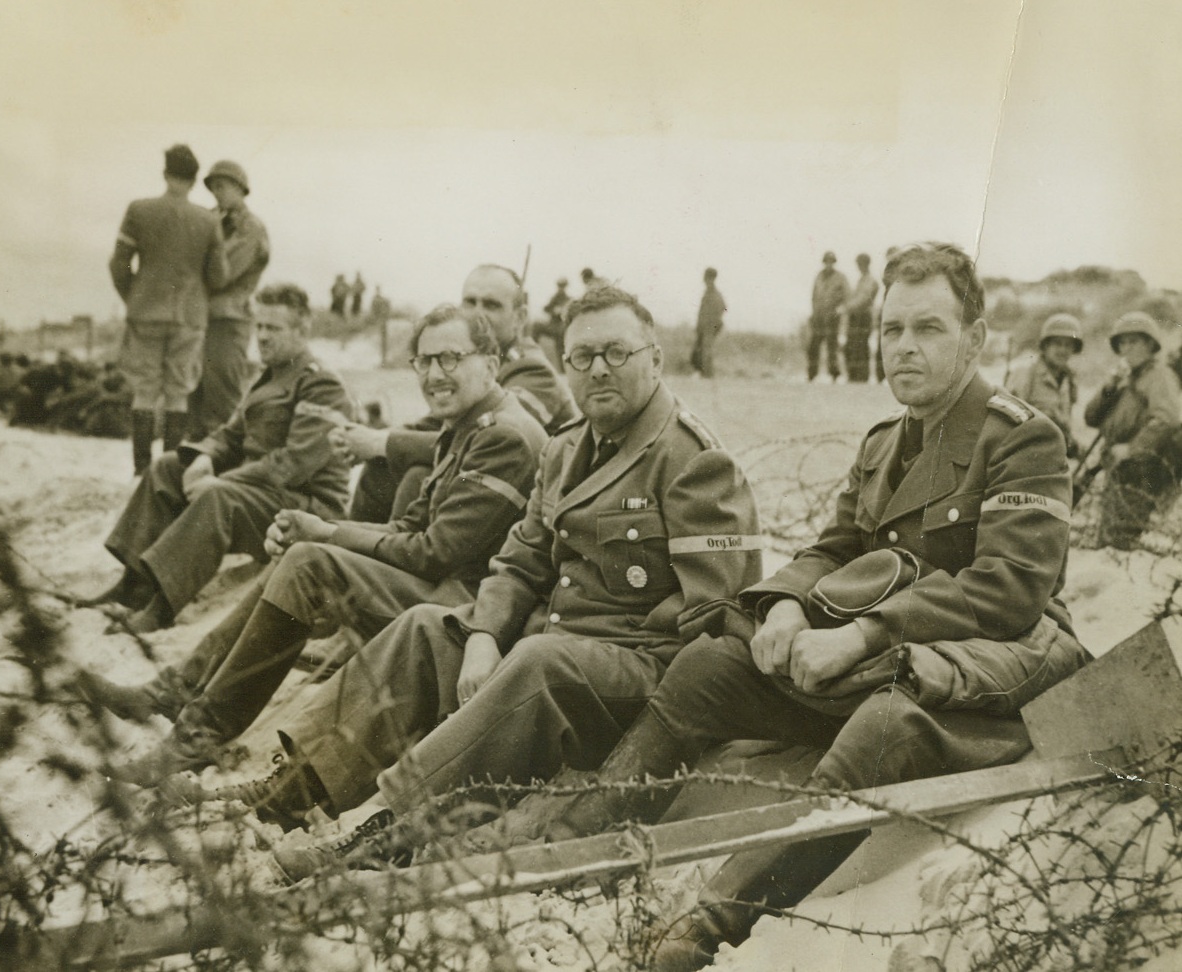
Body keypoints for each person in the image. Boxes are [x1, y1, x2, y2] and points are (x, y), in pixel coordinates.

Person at [446, 243, 1089, 971]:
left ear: (974, 339)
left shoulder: (1022, 436)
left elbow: (1009, 587)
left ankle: (709, 926)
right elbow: (834, 545)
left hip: (980, 671)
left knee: (885, 723)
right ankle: (579, 842)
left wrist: (862, 634)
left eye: (928, 329)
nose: (904, 347)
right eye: (892, 329)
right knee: (707, 666)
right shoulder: (885, 442)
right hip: (880, 655)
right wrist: (783, 605)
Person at [199, 286, 762, 851]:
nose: (597, 370)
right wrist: (485, 635)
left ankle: (390, 824)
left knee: (540, 658)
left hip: (638, 674)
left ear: (655, 359)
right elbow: (519, 560)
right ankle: (295, 791)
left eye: (617, 353)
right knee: (428, 628)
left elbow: (715, 614)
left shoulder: (694, 459)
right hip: (556, 651)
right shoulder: (566, 449)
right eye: (581, 358)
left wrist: (564, 644)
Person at [85, 303, 549, 786]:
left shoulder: (504, 437)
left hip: (469, 614)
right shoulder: (467, 425)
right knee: (305, 556)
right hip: (444, 589)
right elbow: (410, 528)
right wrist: (316, 530)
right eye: (424, 361)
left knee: (310, 563)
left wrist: (328, 534)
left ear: (491, 365)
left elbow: (433, 552)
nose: (434, 374)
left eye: (450, 358)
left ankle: (193, 738)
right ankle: (174, 693)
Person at [77, 284, 352, 633]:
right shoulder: (269, 376)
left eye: (273, 328)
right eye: (259, 326)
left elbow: (293, 464)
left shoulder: (322, 384)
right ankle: (133, 586)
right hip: (263, 494)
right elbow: (231, 433)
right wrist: (205, 457)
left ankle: (161, 608)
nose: (262, 337)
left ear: (302, 330)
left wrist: (222, 480)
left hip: (306, 507)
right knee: (167, 468)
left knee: (217, 497)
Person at [347, 264, 577, 523]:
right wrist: (372, 440)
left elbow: (477, 440)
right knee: (383, 465)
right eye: (470, 302)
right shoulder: (467, 360)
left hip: (527, 512)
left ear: (520, 318)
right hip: (487, 489)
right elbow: (435, 425)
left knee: (416, 471)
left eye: (491, 305)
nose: (478, 314)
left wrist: (381, 442)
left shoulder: (532, 370)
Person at [108, 144, 230, 474]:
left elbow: (118, 264)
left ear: (165, 174)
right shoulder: (207, 220)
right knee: (178, 393)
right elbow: (219, 276)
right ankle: (169, 472)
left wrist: (133, 298)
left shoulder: (139, 210)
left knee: (144, 391)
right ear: (194, 180)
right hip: (189, 316)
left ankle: (140, 471)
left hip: (145, 312)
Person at [187, 160, 271, 440]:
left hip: (229, 320)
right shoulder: (215, 222)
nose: (217, 194)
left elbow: (222, 273)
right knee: (194, 400)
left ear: (239, 188)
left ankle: (224, 471)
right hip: (200, 319)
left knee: (222, 400)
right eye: (213, 189)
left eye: (222, 187)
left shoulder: (250, 228)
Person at [1083, 311, 1182, 550]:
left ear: (1150, 344)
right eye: (1123, 343)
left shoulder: (1159, 376)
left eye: (1134, 341)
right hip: (1120, 467)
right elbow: (1091, 418)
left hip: (1142, 468)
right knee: (1110, 536)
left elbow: (1167, 419)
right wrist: (1109, 387)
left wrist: (1131, 448)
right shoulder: (1126, 378)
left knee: (1120, 537)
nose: (1127, 348)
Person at [1005, 312, 1083, 456]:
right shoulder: (1026, 373)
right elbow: (1008, 421)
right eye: (1058, 344)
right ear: (1046, 346)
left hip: (1053, 457)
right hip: (1025, 453)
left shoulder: (1069, 381)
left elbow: (1065, 425)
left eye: (1068, 345)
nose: (1063, 350)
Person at [807, 251, 849, 383]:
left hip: (832, 317)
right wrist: (814, 313)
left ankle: (834, 374)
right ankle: (811, 373)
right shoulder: (819, 276)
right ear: (824, 262)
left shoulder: (840, 277)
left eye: (831, 261)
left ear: (834, 262)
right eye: (826, 261)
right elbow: (814, 296)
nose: (829, 264)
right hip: (819, 317)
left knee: (832, 346)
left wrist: (839, 309)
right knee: (813, 345)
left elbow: (846, 295)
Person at [841, 253, 878, 382]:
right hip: (855, 317)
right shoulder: (861, 279)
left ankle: (861, 377)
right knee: (852, 346)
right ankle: (853, 376)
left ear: (865, 264)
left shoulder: (870, 280)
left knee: (861, 346)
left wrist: (847, 307)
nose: (859, 267)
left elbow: (864, 299)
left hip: (863, 317)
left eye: (860, 264)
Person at [690, 267, 726, 379]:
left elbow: (723, 308)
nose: (704, 280)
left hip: (709, 327)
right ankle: (704, 373)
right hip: (703, 327)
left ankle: (707, 375)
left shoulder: (714, 294)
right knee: (701, 349)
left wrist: (713, 323)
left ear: (710, 278)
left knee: (706, 350)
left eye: (706, 277)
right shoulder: (708, 293)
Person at [532, 276, 571, 369]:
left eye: (563, 286)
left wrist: (562, 311)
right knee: (536, 326)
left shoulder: (568, 299)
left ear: (565, 287)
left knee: (561, 344)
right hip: (552, 325)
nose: (561, 288)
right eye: (560, 286)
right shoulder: (555, 297)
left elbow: (571, 311)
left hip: (561, 326)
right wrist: (553, 310)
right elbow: (546, 308)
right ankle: (532, 350)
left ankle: (562, 369)